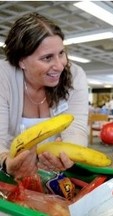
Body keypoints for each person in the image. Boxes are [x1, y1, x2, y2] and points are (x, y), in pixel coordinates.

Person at [0, 13, 89, 178]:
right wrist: (6, 162)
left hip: (56, 177)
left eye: (61, 53)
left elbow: (76, 129)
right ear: (21, 61)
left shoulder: (75, 76)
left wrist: (67, 157)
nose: (60, 66)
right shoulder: (3, 76)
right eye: (47, 58)